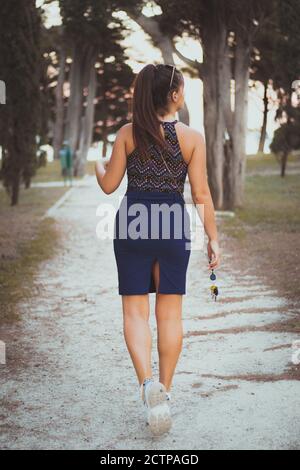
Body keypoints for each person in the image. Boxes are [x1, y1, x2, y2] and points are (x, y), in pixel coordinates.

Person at [95, 64, 220, 436]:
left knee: (135, 310)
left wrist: (100, 167)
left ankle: (147, 383)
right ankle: (164, 391)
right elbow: (200, 194)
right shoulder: (192, 138)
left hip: (133, 219)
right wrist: (213, 237)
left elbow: (109, 186)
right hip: (171, 222)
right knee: (169, 314)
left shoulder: (128, 134)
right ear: (176, 95)